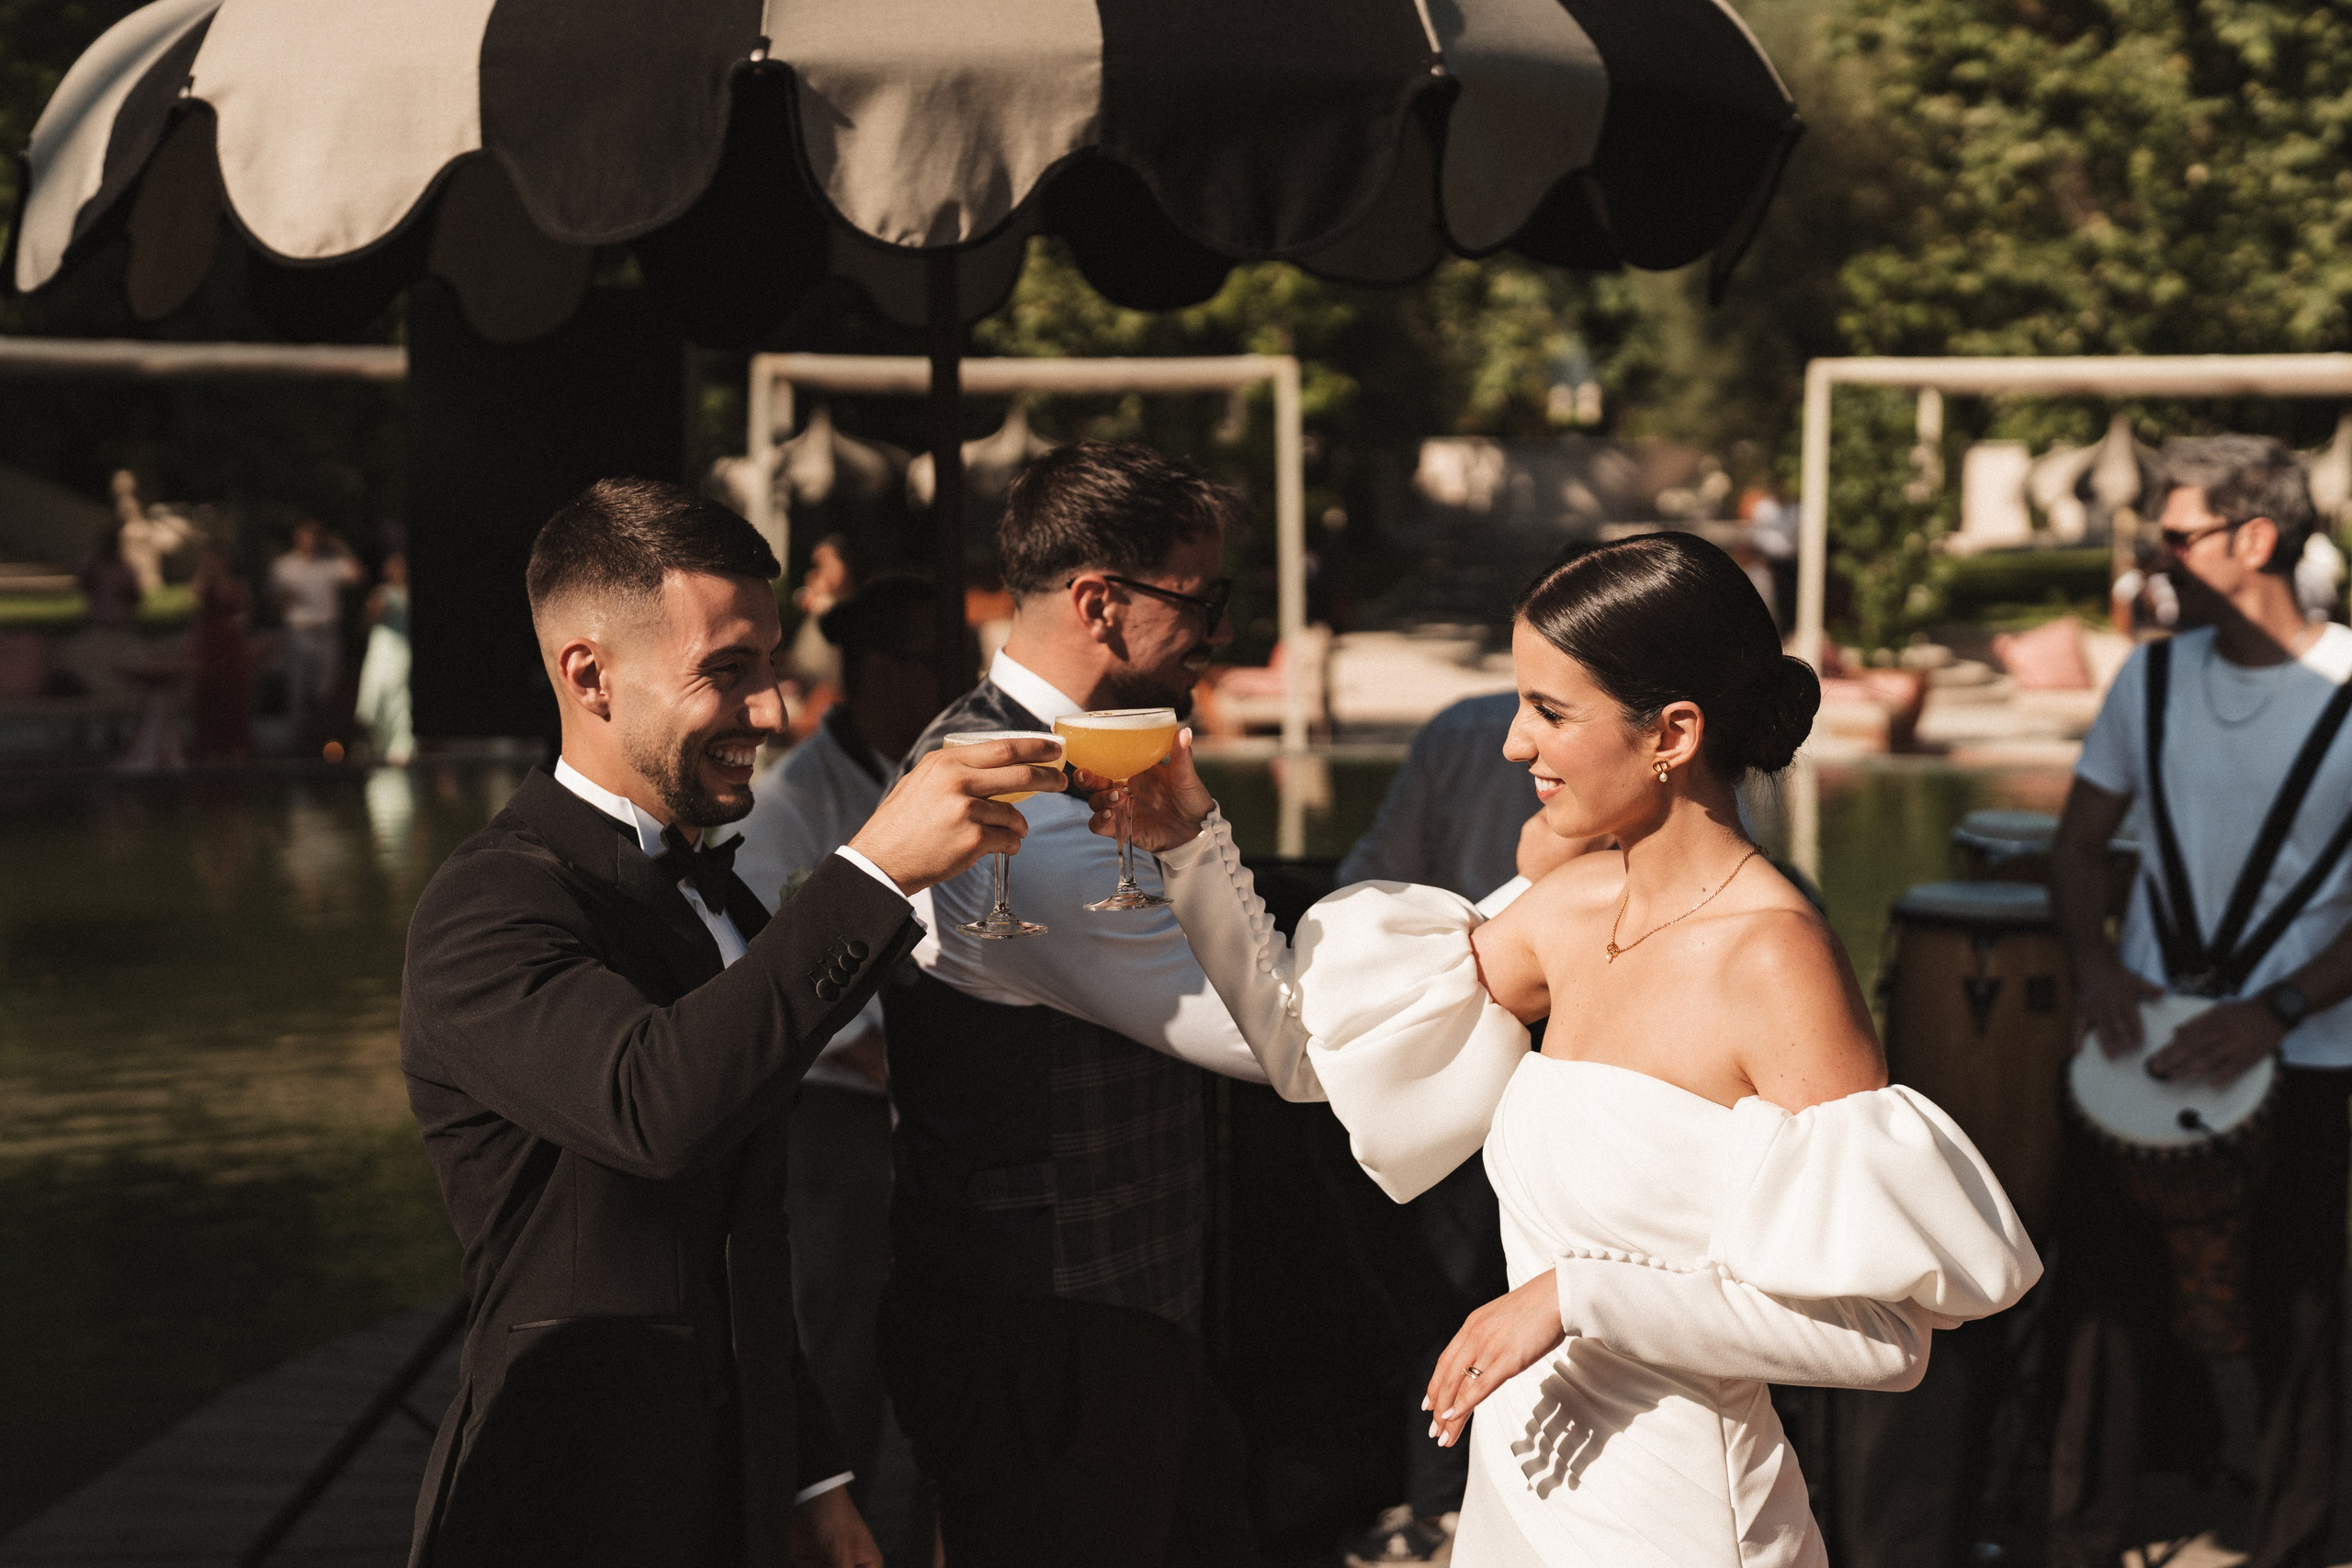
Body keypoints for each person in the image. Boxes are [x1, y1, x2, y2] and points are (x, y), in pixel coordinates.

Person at [1088, 530, 2041, 1566]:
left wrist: (1581, 1294)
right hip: (1520, 1507)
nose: (1511, 743)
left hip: (1681, 1527)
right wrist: (1188, 840)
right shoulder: (1574, 907)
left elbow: (1882, 1337)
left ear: (1670, 733)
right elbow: (1308, 1054)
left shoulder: (1775, 959)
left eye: (1548, 710)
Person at [397, 477, 1066, 1568]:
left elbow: (744, 1241)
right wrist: (875, 872)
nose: (772, 712)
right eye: (727, 672)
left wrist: (810, 1470)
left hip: (735, 1493)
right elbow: (657, 1106)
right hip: (561, 1500)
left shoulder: (720, 898)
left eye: (769, 668)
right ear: (589, 675)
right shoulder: (490, 903)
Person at [878, 440, 1273, 1568]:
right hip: (1043, 1331)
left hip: (1126, 1315)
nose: (1219, 632)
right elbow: (1254, 1029)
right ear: (1101, 602)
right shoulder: (1016, 802)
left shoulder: (1086, 762)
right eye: (1203, 600)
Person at [2048, 435, 2352, 1568]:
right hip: (2144, 1045)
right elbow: (2080, 850)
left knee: (2298, 1318)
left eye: (2173, 536)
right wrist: (2099, 967)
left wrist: (2271, 1012)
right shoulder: (2152, 677)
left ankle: (2293, 1546)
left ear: (2254, 540)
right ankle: (2080, 1544)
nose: (2152, 558)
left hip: (2307, 1049)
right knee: (2103, 1319)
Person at [1331, 689, 1606, 1568]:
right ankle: (1449, 1508)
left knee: (1455, 1298)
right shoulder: (1464, 734)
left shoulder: (1460, 729)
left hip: (1496, 1066)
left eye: (1548, 708)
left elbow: (1364, 882)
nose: (1522, 748)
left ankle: (1444, 1510)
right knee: (1456, 1300)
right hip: (1479, 1057)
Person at [729, 574, 941, 1510]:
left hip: (945, 1102)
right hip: (845, 1109)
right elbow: (792, 1000)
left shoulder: (956, 768)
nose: (956, 681)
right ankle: (829, 1525)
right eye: (937, 660)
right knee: (840, 1336)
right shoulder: (789, 803)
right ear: (878, 670)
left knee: (966, 1336)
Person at [269, 521, 362, 750]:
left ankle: (325, 743)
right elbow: (270, 600)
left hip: (326, 633)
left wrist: (339, 546)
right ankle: (298, 744)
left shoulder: (329, 564)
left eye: (314, 536)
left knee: (327, 689)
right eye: (306, 535)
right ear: (297, 537)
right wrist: (284, 598)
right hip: (299, 634)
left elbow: (358, 575)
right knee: (297, 690)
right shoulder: (284, 566)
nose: (310, 540)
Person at [190, 547, 254, 760]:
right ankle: (209, 746)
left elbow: (244, 612)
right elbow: (192, 600)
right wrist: (205, 572)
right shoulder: (205, 585)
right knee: (209, 691)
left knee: (232, 693)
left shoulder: (236, 584)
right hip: (209, 643)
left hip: (230, 644)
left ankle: (235, 745)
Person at [355, 552, 413, 764]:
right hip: (380, 649)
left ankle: (401, 748)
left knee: (399, 697)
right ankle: (378, 745)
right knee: (374, 696)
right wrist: (374, 609)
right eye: (392, 566)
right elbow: (364, 624)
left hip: (402, 650)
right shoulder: (379, 593)